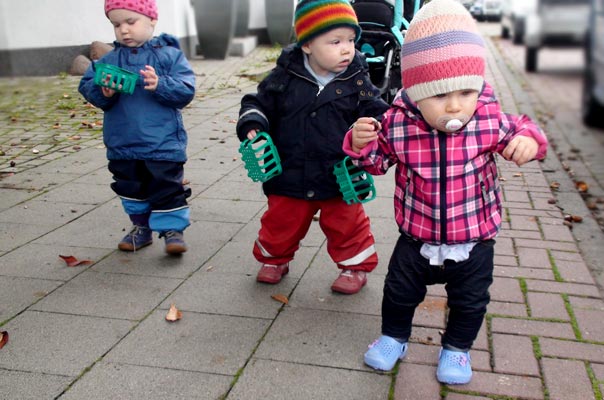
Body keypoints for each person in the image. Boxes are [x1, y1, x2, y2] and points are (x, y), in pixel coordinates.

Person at [344, 0, 548, 384]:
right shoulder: (398, 123)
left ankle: (456, 349)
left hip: (473, 239)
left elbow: (521, 127)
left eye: (466, 92)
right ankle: (394, 337)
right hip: (416, 236)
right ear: (416, 93)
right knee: (398, 292)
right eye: (439, 96)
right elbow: (374, 162)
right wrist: (360, 143)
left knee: (470, 302)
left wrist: (528, 140)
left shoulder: (487, 117)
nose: (455, 105)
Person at [236, 0, 390, 294]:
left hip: (338, 174)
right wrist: (253, 124)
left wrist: (373, 125)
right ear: (307, 45)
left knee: (348, 224)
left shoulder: (356, 77)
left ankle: (354, 265)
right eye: (335, 41)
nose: (347, 48)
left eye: (349, 40)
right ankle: (274, 259)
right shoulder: (285, 76)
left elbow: (376, 108)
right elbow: (257, 102)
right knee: (280, 221)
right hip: (289, 171)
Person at [79, 0, 196, 255]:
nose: (124, 30)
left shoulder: (169, 55)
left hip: (162, 142)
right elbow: (88, 85)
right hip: (123, 142)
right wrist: (104, 92)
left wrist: (161, 84)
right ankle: (140, 228)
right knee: (130, 187)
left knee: (166, 187)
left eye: (131, 22)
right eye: (116, 24)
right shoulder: (109, 60)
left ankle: (172, 231)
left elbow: (187, 90)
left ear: (151, 20)